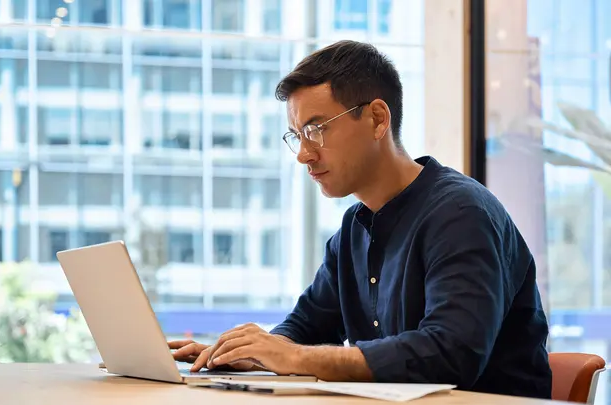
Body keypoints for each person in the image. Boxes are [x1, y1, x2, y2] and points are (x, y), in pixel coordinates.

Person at [168, 40, 552, 399]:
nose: (303, 154)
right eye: (296, 135)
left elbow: (450, 354)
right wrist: (244, 354)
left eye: (316, 130)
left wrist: (294, 358)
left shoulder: (461, 214)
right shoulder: (353, 229)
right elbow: (305, 328)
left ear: (377, 119)